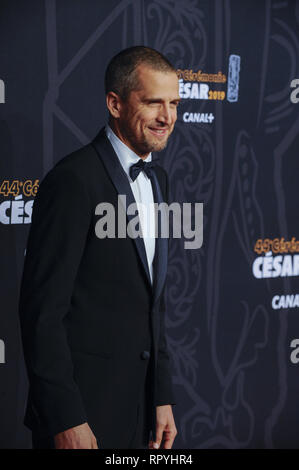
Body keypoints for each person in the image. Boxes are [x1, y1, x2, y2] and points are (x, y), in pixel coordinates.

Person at [19, 46, 180, 449]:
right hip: (83, 415)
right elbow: (42, 312)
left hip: (140, 412)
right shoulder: (74, 180)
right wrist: (65, 418)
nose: (167, 117)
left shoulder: (159, 182)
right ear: (115, 103)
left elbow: (151, 304)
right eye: (153, 103)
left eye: (174, 103)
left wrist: (161, 395)